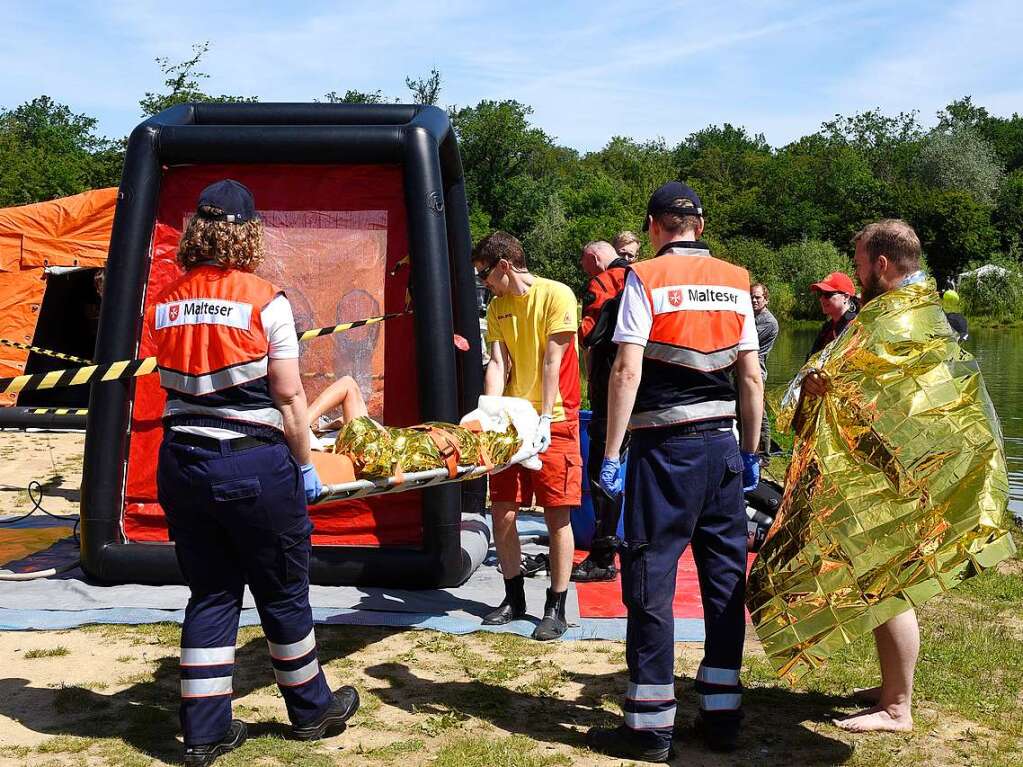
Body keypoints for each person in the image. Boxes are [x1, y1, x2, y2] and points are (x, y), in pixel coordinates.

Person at [765, 219, 1014, 733]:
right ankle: (891, 689)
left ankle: (897, 706)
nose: (856, 274)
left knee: (888, 582)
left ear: (881, 264)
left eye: (858, 263)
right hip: (907, 470)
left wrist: (812, 389)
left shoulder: (894, 319)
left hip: (910, 474)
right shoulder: (921, 310)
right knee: (884, 578)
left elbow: (849, 379)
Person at [151, 180, 359, 766]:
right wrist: (303, 463)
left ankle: (204, 732)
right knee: (283, 589)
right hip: (253, 464)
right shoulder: (267, 302)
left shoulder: (166, 301)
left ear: (197, 230)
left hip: (182, 461)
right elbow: (291, 400)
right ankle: (311, 710)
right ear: (247, 232)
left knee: (211, 593)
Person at [586, 182, 764, 761]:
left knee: (651, 579)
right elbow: (752, 376)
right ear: (701, 226)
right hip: (722, 448)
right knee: (723, 583)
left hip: (664, 449)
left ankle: (648, 726)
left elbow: (625, 370)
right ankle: (721, 714)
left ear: (654, 226)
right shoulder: (737, 279)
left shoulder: (645, 278)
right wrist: (752, 452)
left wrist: (611, 455)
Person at [474, 231, 582, 641]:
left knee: (557, 515)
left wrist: (542, 419)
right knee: (502, 511)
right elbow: (498, 363)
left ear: (504, 266)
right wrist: (490, 411)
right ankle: (513, 594)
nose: (483, 283)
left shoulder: (558, 295)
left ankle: (555, 605)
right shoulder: (498, 307)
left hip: (555, 420)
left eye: (485, 274)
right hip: (513, 423)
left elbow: (552, 360)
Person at [572, 241, 630, 583]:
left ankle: (603, 556)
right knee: (630, 469)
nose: (584, 269)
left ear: (594, 258)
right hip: (645, 393)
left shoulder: (604, 282)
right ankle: (628, 542)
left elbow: (589, 333)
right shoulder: (641, 277)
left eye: (583, 263)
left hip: (611, 388)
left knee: (601, 470)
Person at [750, 283, 778, 458]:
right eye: (751, 296)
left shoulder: (769, 322)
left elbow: (747, 341)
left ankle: (764, 456)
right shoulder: (750, 316)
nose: (753, 300)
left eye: (758, 297)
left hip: (756, 371)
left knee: (759, 413)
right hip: (743, 370)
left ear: (766, 300)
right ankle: (749, 450)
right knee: (743, 411)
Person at [807, 271, 858, 358]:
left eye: (828, 294)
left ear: (846, 297)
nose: (821, 299)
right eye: (820, 294)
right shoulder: (828, 327)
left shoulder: (855, 328)